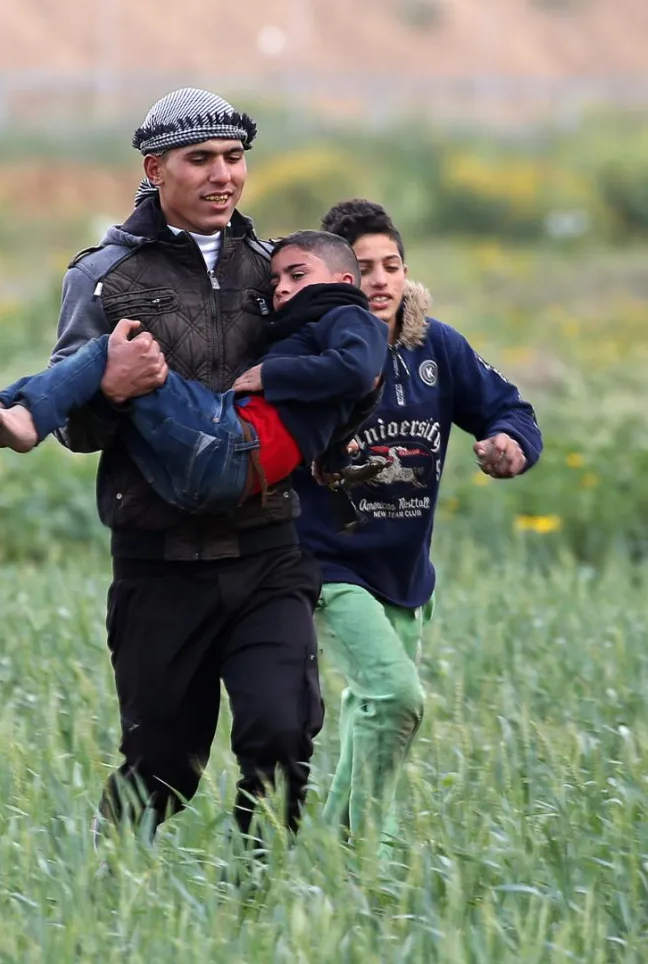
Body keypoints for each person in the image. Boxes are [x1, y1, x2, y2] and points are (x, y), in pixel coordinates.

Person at [0, 87, 343, 848]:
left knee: (282, 736)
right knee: (165, 765)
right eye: (202, 160)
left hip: (268, 548)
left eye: (234, 158)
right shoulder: (103, 277)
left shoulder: (275, 272)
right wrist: (111, 387)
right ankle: (106, 895)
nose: (223, 175)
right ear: (155, 168)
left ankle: (256, 903)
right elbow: (84, 430)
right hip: (159, 561)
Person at [297, 199, 543, 849]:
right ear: (335, 278)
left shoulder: (438, 347)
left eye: (392, 265)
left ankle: (345, 854)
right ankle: (353, 845)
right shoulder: (308, 350)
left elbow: (508, 411)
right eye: (363, 268)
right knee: (397, 697)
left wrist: (508, 445)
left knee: (379, 714)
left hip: (405, 572)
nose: (380, 280)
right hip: (328, 562)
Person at [0, 229, 388, 516]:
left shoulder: (349, 316)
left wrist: (272, 376)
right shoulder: (314, 328)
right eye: (275, 282)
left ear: (344, 283)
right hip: (204, 482)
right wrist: (330, 458)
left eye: (297, 274)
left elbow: (358, 375)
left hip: (236, 445)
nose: (283, 288)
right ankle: (8, 407)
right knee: (119, 374)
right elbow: (348, 406)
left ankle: (22, 418)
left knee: (116, 351)